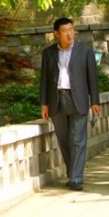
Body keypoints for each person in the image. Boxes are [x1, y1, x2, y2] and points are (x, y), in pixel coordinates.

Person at [40, 17, 102, 191]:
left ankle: (76, 178)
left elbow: (92, 78)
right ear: (56, 34)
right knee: (64, 141)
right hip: (57, 100)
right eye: (65, 31)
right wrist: (44, 103)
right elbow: (44, 79)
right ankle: (72, 173)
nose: (69, 34)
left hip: (79, 100)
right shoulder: (49, 53)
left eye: (71, 29)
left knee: (78, 140)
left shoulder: (85, 51)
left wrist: (95, 101)